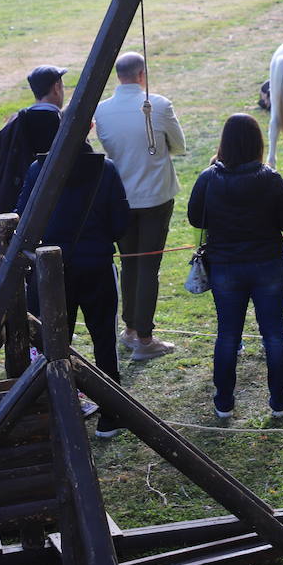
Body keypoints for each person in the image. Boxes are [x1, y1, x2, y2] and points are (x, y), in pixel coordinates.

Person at [187, 114, 283, 420]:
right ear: (257, 143)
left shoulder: (208, 178)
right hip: (268, 265)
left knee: (227, 335)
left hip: (226, 266)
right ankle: (278, 402)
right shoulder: (270, 178)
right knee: (274, 334)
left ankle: (224, 402)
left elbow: (196, 218)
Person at [16, 139, 129, 437]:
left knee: (51, 346)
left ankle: (57, 410)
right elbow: (120, 224)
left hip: (52, 271)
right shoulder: (106, 170)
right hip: (97, 266)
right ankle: (111, 415)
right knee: (104, 340)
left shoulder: (37, 170)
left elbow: (24, 218)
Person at [95, 51, 186, 361]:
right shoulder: (158, 105)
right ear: (141, 74)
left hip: (120, 197)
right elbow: (179, 145)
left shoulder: (103, 110)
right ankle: (144, 338)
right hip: (155, 197)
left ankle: (132, 329)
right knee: (148, 266)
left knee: (130, 262)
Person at [0, 64, 66, 274]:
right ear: (57, 87)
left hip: (12, 231)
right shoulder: (64, 128)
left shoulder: (11, 128)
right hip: (59, 236)